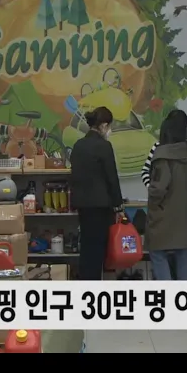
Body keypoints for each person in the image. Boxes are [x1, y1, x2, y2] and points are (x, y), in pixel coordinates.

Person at [70, 106, 124, 280]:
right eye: (109, 126)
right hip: (101, 207)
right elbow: (111, 178)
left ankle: (85, 281)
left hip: (82, 206)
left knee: (86, 248)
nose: (109, 130)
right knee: (99, 251)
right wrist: (118, 205)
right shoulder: (104, 146)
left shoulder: (78, 145)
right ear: (103, 125)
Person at [145, 112, 187, 280]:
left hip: (163, 214)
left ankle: (167, 293)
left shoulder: (162, 154)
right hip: (185, 212)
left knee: (157, 253)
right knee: (183, 254)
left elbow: (159, 187)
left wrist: (152, 198)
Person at [141, 109, 187, 191]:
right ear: (185, 127)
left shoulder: (159, 146)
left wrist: (153, 190)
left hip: (161, 197)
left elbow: (145, 171)